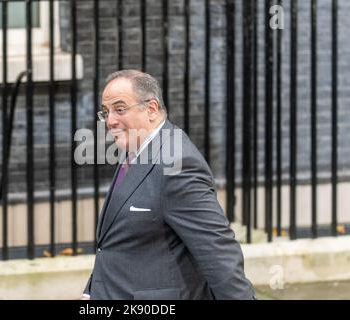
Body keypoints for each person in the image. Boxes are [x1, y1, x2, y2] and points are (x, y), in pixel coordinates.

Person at [82, 70, 256, 300]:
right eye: (106, 112)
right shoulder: (138, 150)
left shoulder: (177, 163)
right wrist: (92, 292)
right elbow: (115, 242)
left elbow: (216, 249)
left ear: (151, 109)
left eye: (120, 109)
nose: (110, 120)